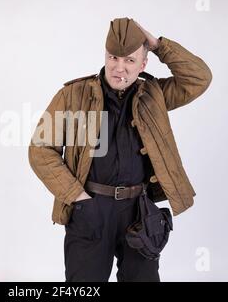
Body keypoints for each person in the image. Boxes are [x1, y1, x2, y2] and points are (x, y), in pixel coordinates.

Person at [28, 17, 212, 282]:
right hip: (90, 208)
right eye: (114, 57)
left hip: (139, 212)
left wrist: (158, 45)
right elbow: (40, 148)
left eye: (130, 60)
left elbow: (200, 78)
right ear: (105, 55)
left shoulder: (154, 95)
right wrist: (78, 198)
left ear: (143, 63)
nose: (119, 68)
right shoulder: (73, 95)